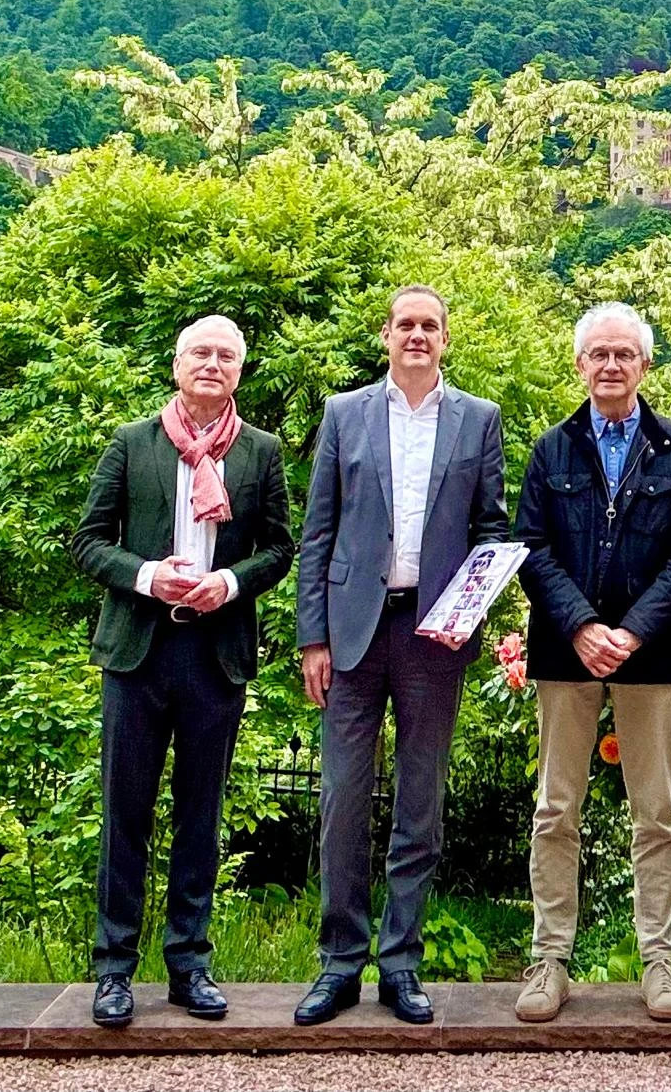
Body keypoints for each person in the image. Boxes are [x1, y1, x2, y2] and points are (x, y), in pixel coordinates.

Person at [293, 285, 508, 1026]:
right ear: (385, 335)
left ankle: (402, 965)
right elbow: (317, 534)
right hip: (353, 632)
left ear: (446, 339)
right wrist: (311, 636)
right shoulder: (344, 413)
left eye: (430, 326)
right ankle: (338, 964)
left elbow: (493, 532)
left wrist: (471, 613)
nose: (417, 336)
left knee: (420, 806)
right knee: (342, 802)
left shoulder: (479, 420)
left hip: (432, 637)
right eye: (406, 325)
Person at [72, 314, 294, 1028]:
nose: (212, 364)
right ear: (177, 364)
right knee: (124, 814)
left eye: (226, 355)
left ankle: (189, 964)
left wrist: (227, 583)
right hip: (137, 652)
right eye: (201, 352)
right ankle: (113, 971)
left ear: (239, 371)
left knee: (201, 816)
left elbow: (280, 549)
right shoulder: (133, 443)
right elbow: (86, 542)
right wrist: (145, 576)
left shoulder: (261, 452)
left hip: (214, 653)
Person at [512, 303, 671, 1024]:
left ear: (645, 365)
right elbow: (529, 546)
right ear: (580, 364)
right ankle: (549, 961)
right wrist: (582, 625)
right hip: (566, 654)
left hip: (650, 656)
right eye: (598, 354)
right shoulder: (550, 450)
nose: (611, 365)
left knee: (656, 814)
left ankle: (660, 960)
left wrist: (629, 631)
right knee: (555, 809)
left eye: (624, 354)